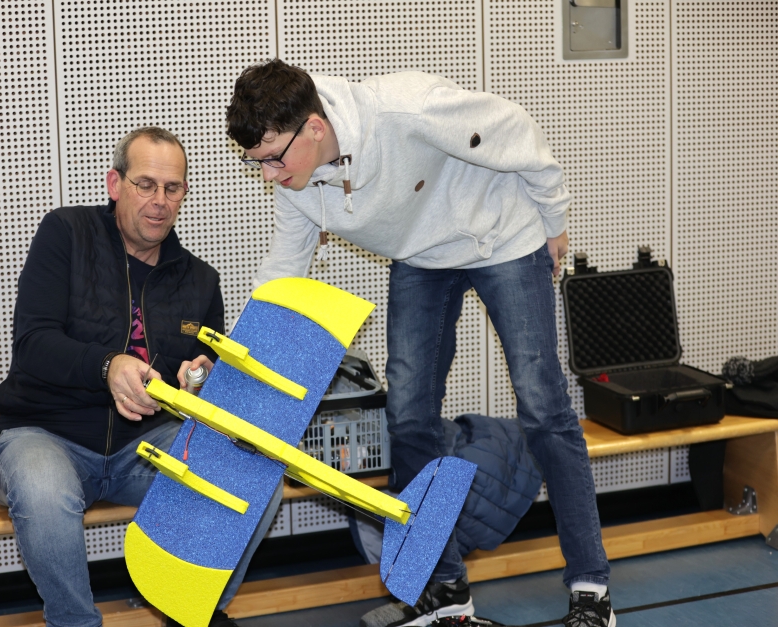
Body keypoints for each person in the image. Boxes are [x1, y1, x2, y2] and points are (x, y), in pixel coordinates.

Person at [225, 60, 614, 627]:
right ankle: (444, 588)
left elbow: (514, 127)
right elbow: (280, 280)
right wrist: (236, 364)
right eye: (256, 162)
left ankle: (591, 589)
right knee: (408, 418)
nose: (268, 175)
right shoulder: (296, 185)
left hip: (502, 233)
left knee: (542, 406)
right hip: (421, 257)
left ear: (314, 127)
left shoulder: (405, 109)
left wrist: (554, 222)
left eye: (274, 158)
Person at [0, 127, 277, 627]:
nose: (159, 201)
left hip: (142, 448)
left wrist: (203, 381)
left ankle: (194, 613)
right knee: (42, 488)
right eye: (145, 184)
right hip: (43, 435)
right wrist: (108, 365)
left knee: (256, 480)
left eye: (172, 188)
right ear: (115, 184)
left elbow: (207, 380)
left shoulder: (201, 280)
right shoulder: (66, 234)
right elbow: (33, 344)